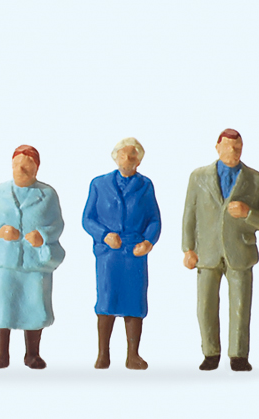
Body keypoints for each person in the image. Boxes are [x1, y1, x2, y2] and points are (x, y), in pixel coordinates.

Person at [182, 128, 259, 372]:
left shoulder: (256, 180)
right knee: (205, 305)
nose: (233, 151)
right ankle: (210, 352)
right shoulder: (198, 177)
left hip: (240, 251)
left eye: (238, 147)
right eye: (229, 146)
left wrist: (248, 213)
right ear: (217, 147)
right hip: (206, 251)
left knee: (241, 305)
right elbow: (189, 214)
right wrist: (188, 249)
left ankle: (238, 355)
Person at [0, 145, 64, 369]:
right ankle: (1, 353)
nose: (20, 170)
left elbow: (57, 224)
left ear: (36, 169)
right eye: (17, 165)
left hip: (34, 262)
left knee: (35, 304)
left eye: (26, 167)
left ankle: (32, 353)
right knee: (2, 305)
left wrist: (42, 235)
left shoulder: (47, 194)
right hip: (3, 261)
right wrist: (0, 230)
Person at [82, 138, 161, 370]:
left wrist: (148, 242)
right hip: (109, 253)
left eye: (133, 156)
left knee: (134, 302)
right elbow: (87, 219)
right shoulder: (99, 184)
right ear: (115, 157)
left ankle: (133, 355)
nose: (128, 159)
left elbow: (154, 219)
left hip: (134, 253)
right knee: (106, 300)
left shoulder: (146, 185)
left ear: (139, 160)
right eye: (124, 155)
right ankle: (103, 354)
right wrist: (104, 235)